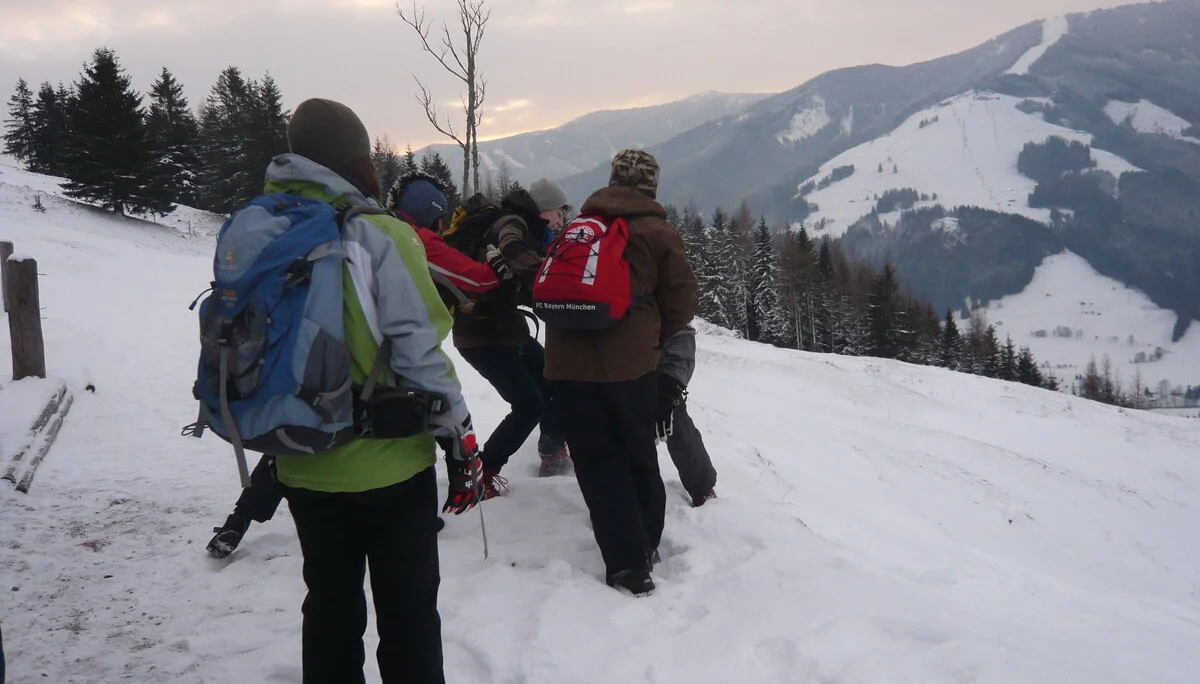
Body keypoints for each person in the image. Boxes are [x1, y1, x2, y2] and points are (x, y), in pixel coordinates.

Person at [266, 97, 478, 683]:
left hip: (300, 456)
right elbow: (420, 352)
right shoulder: (378, 235)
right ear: (357, 162)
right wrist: (461, 438)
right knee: (408, 614)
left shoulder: (262, 228)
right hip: (387, 463)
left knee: (329, 607)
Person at [203, 173, 514, 559]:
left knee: (298, 430)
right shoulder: (406, 237)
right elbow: (474, 282)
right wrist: (502, 265)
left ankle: (238, 521)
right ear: (429, 213)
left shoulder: (339, 227)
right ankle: (422, 513)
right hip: (382, 365)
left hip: (317, 352)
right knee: (415, 419)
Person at [543, 150, 698, 596]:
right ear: (651, 185)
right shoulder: (656, 231)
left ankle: (625, 563)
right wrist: (647, 336)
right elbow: (682, 305)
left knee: (595, 462)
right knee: (636, 453)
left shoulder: (579, 228)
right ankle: (645, 545)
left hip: (565, 367)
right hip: (629, 367)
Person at [453, 178, 574, 497]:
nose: (561, 220)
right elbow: (511, 247)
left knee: (554, 379)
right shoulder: (513, 223)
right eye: (558, 213)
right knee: (528, 404)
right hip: (482, 336)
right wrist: (545, 283)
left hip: (506, 330)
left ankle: (552, 451)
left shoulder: (529, 227)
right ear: (543, 207)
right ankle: (483, 474)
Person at [659, 325, 718, 507]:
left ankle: (702, 487)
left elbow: (679, 320)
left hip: (654, 374)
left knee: (676, 427)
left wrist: (672, 382)